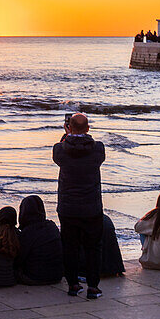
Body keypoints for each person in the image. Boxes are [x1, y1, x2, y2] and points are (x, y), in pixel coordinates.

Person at [53, 113, 106, 299]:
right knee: (93, 247)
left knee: (70, 246)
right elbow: (92, 149)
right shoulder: (98, 149)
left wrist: (68, 135)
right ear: (88, 129)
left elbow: (61, 150)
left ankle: (73, 285)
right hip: (92, 207)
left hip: (68, 208)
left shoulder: (60, 149)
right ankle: (93, 286)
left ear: (69, 128)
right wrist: (75, 134)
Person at [15, 195, 64, 285]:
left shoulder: (28, 232)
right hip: (57, 276)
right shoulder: (52, 226)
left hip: (35, 277)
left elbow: (19, 258)